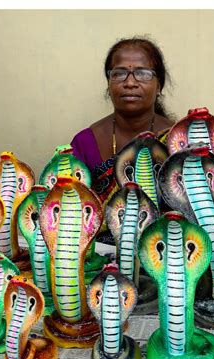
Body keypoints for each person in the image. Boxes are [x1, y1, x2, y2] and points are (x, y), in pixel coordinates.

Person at [71, 36, 174, 241]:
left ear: (159, 85)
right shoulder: (84, 143)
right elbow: (73, 213)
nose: (129, 83)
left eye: (142, 74)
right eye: (119, 74)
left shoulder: (177, 140)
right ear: (109, 84)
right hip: (98, 255)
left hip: (166, 254)